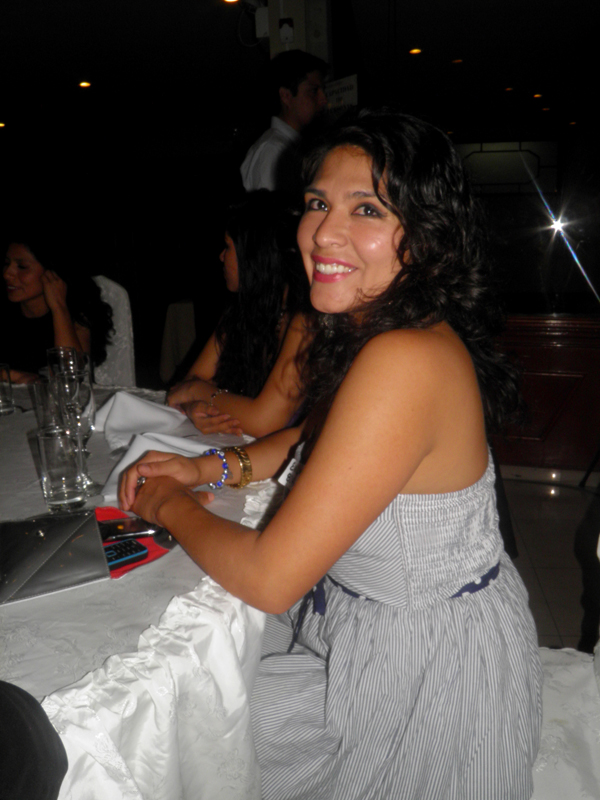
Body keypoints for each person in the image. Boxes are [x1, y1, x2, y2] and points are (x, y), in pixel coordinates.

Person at [120, 109, 542, 799]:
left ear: (428, 236)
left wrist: (167, 503)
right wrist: (207, 467)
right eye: (317, 203)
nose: (323, 232)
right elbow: (315, 436)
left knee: (193, 728)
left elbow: (270, 578)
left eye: (366, 209)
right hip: (366, 630)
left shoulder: (404, 358)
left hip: (424, 674)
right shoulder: (379, 327)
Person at [167, 191, 311, 438]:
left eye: (228, 246)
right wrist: (194, 407)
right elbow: (187, 382)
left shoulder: (306, 320)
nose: (221, 256)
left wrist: (198, 393)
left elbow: (264, 421)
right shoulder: (245, 310)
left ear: (254, 256)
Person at [1, 234, 113, 383]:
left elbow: (72, 375)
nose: (7, 274)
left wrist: (59, 308)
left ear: (52, 271)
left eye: (22, 267)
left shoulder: (77, 312)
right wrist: (14, 376)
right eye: (6, 263)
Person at [240, 50, 328, 195]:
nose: (323, 99)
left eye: (323, 90)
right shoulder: (273, 150)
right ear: (286, 96)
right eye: (313, 91)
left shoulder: (293, 148)